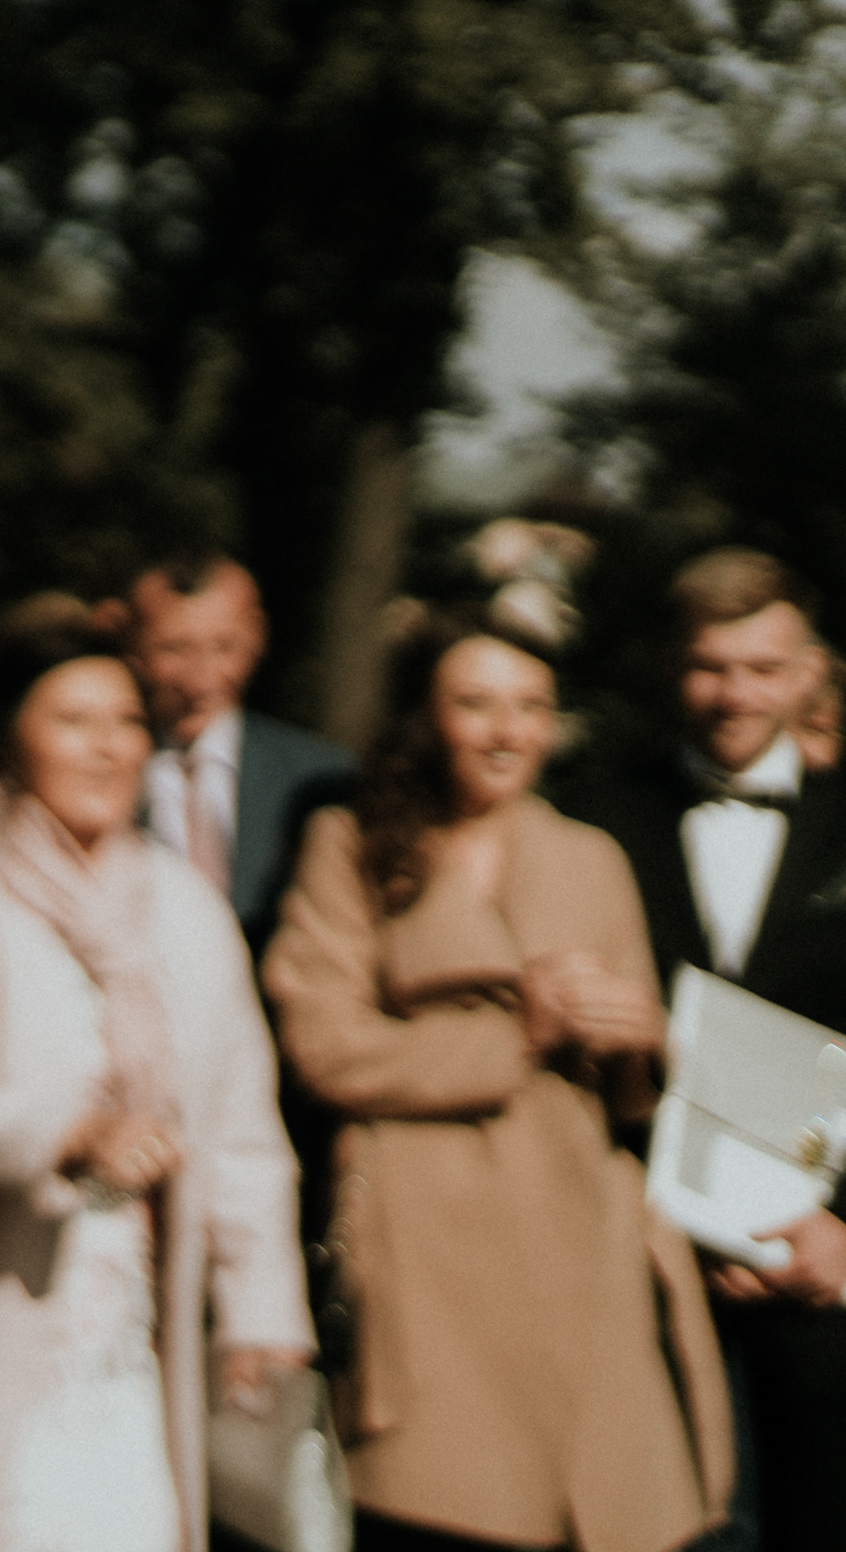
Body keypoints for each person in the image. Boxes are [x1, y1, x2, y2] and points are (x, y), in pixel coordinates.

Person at [265, 616, 731, 1552]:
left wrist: (637, 1044)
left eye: (530, 707)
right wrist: (517, 1035)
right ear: (426, 719)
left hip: (582, 1232)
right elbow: (324, 1047)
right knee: (442, 1504)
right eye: (476, 704)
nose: (507, 731)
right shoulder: (351, 842)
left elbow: (636, 1100)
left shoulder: (591, 856)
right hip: (423, 1247)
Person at [0, 608, 311, 1552]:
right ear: (7, 739)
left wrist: (260, 1311)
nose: (108, 748)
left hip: (142, 1321)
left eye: (126, 723)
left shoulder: (183, 904)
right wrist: (73, 1133)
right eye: (73, 721)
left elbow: (241, 1126)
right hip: (3, 1291)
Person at [560, 550, 846, 1544]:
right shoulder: (591, 815)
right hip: (635, 1260)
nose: (735, 694)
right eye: (710, 667)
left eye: (764, 668)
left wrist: (841, 1238)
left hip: (824, 1274)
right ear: (672, 667)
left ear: (812, 673)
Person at [128, 550, 354, 939]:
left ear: (257, 637)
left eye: (224, 647)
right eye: (174, 649)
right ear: (132, 645)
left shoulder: (323, 778)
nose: (200, 680)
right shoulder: (104, 772)